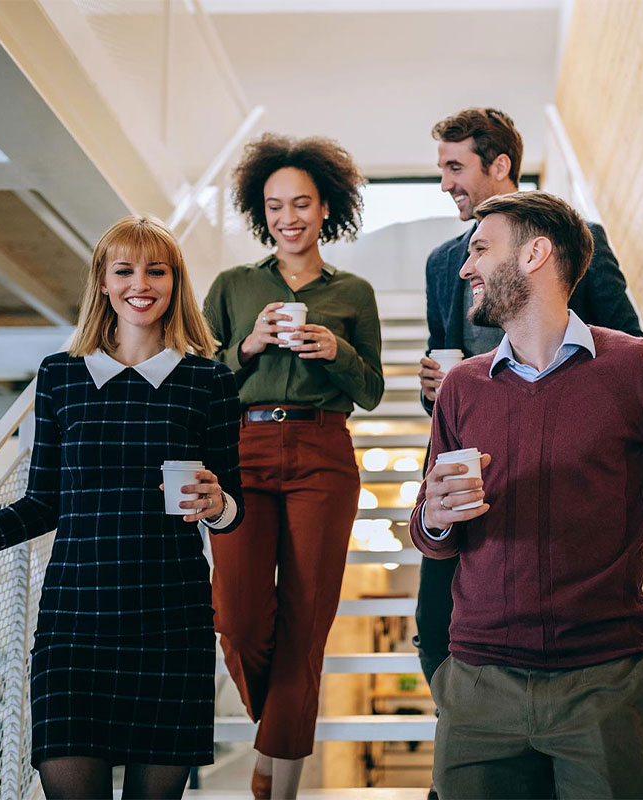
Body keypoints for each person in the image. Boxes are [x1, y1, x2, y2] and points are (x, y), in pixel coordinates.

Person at [409, 190, 643, 799]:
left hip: (602, 686)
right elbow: (432, 532)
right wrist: (434, 520)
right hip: (476, 686)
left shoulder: (639, 368)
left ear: (535, 254)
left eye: (481, 250)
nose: (466, 269)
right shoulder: (462, 388)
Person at [0, 215, 244, 799]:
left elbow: (236, 507)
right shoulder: (60, 376)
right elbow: (42, 504)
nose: (142, 283)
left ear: (175, 282)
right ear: (104, 282)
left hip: (172, 619)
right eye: (125, 270)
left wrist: (218, 506)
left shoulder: (209, 381)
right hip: (75, 622)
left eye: (156, 270)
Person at [414, 107, 643, 689]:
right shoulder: (444, 261)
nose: (445, 183)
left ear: (500, 164)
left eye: (454, 166)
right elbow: (445, 351)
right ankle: (463, 748)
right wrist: (433, 391)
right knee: (435, 619)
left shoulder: (576, 241)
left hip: (556, 459)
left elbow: (628, 343)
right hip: (469, 460)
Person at [202, 133, 383, 800]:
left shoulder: (353, 292)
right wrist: (246, 346)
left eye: (301, 203)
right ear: (261, 211)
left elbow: (370, 390)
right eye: (275, 205)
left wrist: (335, 348)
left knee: (307, 621)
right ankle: (274, 733)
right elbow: (199, 383)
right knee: (241, 618)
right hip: (242, 451)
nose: (289, 218)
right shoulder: (233, 286)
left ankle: (279, 785)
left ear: (325, 207)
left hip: (323, 453)